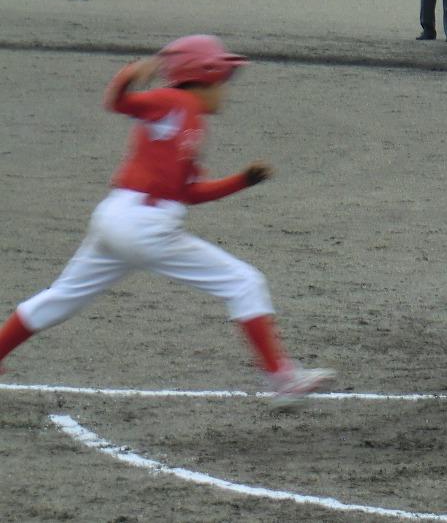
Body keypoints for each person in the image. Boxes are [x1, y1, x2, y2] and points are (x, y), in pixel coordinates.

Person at [0, 35, 335, 405]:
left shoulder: (188, 119)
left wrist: (242, 181)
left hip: (117, 219)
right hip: (143, 225)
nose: (226, 90)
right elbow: (118, 102)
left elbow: (189, 192)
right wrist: (131, 72)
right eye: (225, 80)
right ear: (205, 77)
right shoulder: (173, 101)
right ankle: (284, 380)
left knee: (60, 298)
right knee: (244, 282)